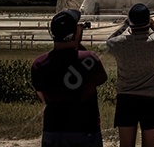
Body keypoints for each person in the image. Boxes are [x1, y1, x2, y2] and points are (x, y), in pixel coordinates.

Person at [32, 9, 108, 146]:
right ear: (75, 32)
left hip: (53, 130)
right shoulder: (89, 59)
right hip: (85, 129)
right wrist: (77, 41)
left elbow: (44, 98)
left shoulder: (39, 64)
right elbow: (101, 79)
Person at [107, 4, 154, 147]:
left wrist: (124, 26)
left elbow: (109, 41)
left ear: (131, 21)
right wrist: (153, 26)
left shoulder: (119, 44)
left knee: (126, 144)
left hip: (126, 99)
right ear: (148, 20)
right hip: (151, 99)